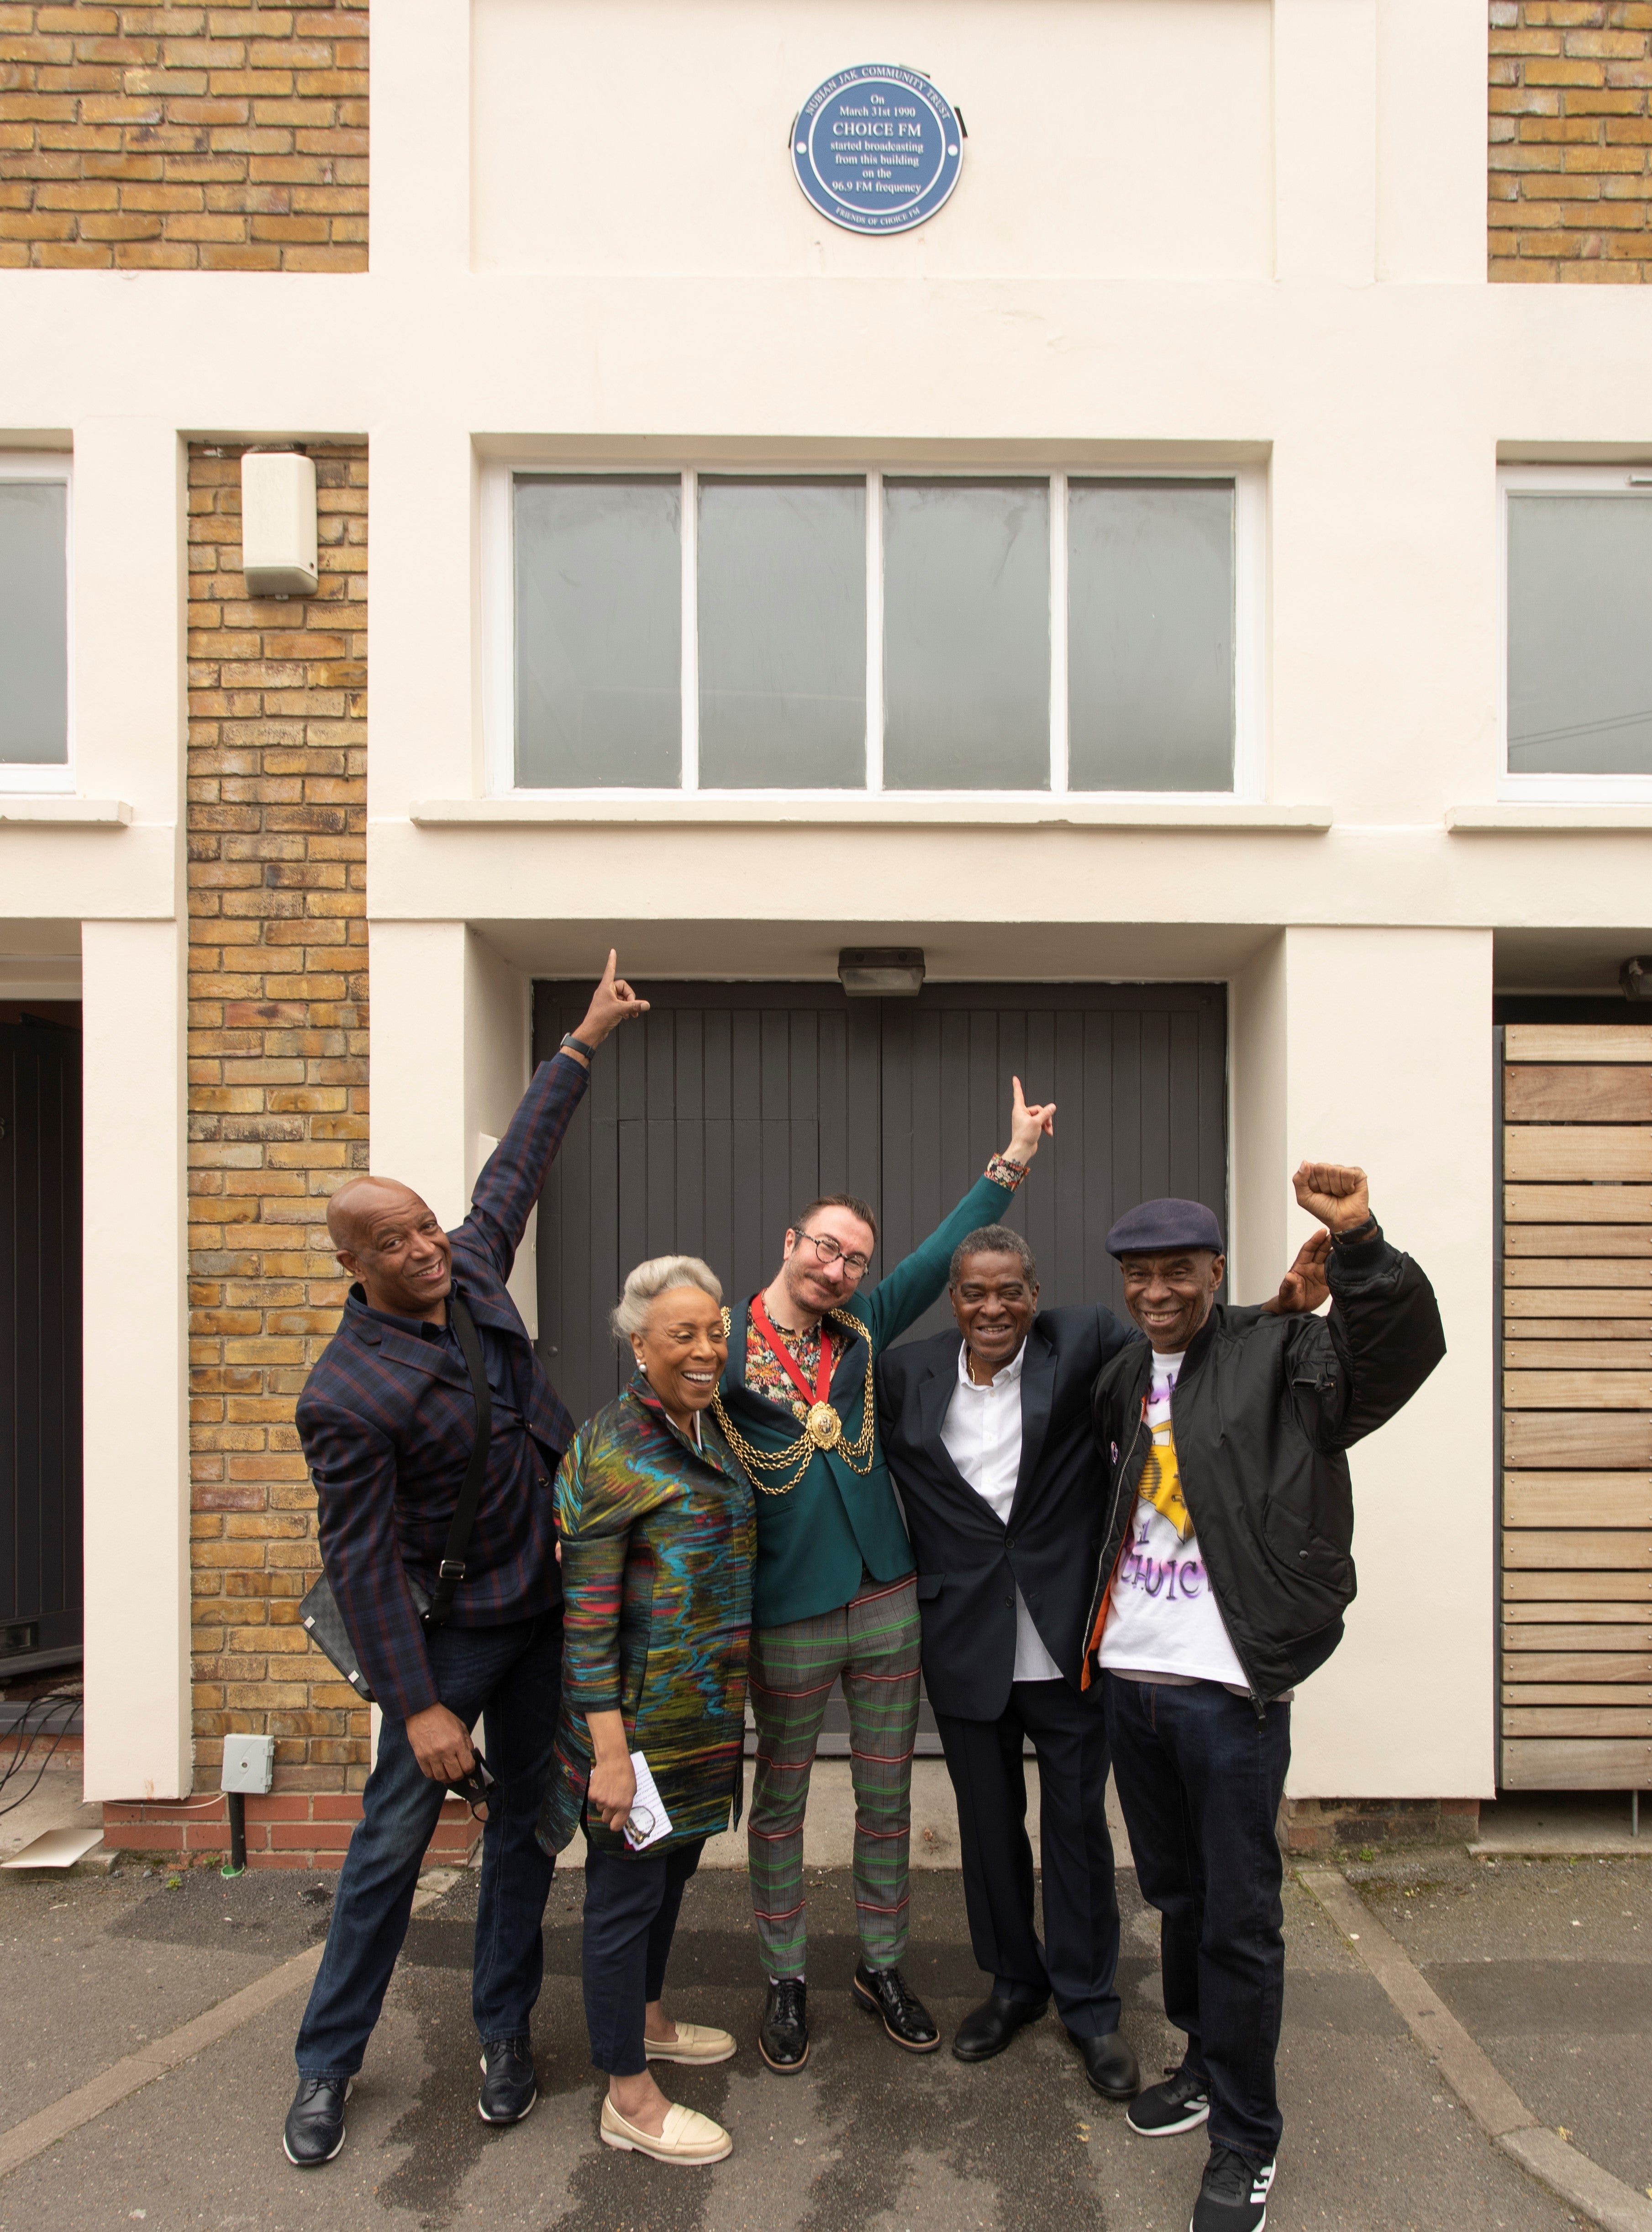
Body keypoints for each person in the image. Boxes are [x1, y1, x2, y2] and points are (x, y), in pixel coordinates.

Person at [281, 953, 648, 2169]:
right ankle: (328, 2064)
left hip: (549, 1608)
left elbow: (517, 1168)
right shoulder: (348, 1393)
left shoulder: (473, 1269)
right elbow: (365, 1560)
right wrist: (422, 1705)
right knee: (388, 1846)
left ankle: (502, 2032)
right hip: (450, 1636)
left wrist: (582, 1041)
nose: (427, 1247)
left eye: (426, 1225)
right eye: (395, 1241)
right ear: (356, 1265)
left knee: (526, 1835)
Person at [878, 1222, 1330, 2100]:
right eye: (974, 1290)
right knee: (988, 1827)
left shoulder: (1086, 1342)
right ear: (953, 1298)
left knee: (1078, 1829)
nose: (992, 1306)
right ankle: (1014, 1983)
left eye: (1009, 1289)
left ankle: (1088, 2005)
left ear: (1034, 1293)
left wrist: (1279, 1309)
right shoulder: (906, 1374)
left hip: (1069, 1634)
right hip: (964, 1638)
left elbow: (1189, 1331)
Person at [1087, 1168, 1445, 2232]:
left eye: (1178, 1274)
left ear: (1216, 1272)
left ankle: (1247, 2136)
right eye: (1139, 1275)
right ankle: (1204, 2057)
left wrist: (1363, 1243)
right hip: (1132, 1681)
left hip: (1231, 1691)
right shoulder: (1123, 1373)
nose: (1157, 1292)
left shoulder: (1289, 1353)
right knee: (1179, 1897)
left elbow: (1398, 1354)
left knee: (1241, 1918)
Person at [713, 1079, 1055, 2073]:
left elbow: (942, 1249)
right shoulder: (719, 1345)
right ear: (789, 1241)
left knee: (886, 1795)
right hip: (786, 1607)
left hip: (888, 1594)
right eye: (826, 1247)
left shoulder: (862, 1331)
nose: (841, 1266)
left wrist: (1014, 1157)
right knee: (778, 1802)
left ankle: (882, 1964)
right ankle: (784, 1976)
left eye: (855, 1256)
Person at [540, 1255, 754, 2168]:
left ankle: (651, 2015)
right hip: (633, 1725)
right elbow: (585, 1620)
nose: (707, 1349)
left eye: (715, 1330)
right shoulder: (610, 1449)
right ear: (638, 1343)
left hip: (700, 1720)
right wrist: (609, 1753)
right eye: (683, 1334)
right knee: (624, 1898)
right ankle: (627, 2092)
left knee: (671, 1878)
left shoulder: (714, 1430)